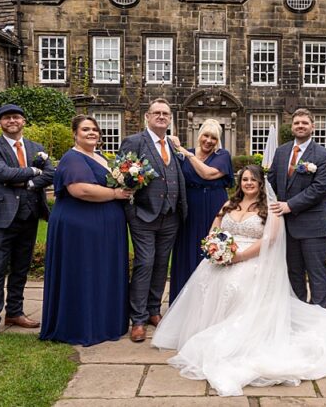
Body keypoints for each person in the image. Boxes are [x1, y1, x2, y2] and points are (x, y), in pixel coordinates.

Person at [153, 165, 326, 397]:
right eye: (245, 179)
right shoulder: (228, 205)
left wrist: (240, 256)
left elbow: (269, 239)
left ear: (261, 184)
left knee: (235, 283)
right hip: (223, 257)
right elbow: (214, 229)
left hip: (252, 258)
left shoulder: (270, 209)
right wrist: (215, 248)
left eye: (253, 179)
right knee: (207, 281)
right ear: (240, 183)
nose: (249, 183)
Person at [39, 115, 132, 345]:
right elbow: (81, 190)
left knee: (100, 272)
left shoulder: (99, 157)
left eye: (95, 130)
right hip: (80, 228)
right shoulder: (73, 158)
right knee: (84, 272)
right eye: (86, 129)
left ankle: (104, 321)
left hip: (102, 228)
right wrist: (115, 194)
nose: (92, 133)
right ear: (75, 133)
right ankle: (82, 325)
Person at [0, 103, 55, 342]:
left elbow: (51, 173)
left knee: (21, 267)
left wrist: (30, 182)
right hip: (2, 217)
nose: (12, 121)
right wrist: (34, 171)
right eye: (7, 118)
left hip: (29, 215)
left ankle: (15, 312)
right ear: (0, 123)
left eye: (17, 117)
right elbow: (3, 174)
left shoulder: (36, 147)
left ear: (23, 122)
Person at [119, 98, 188, 342]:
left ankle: (153, 310)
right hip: (143, 215)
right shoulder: (135, 141)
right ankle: (137, 319)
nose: (161, 117)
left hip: (171, 216)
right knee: (145, 263)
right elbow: (122, 176)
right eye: (156, 113)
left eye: (165, 114)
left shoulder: (173, 144)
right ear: (147, 117)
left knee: (161, 264)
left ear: (170, 119)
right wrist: (131, 213)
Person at [266, 108, 326, 308]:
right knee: (294, 272)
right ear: (292, 126)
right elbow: (271, 183)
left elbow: (319, 189)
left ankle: (319, 316)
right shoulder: (281, 152)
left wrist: (289, 205)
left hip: (314, 226)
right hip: (286, 227)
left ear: (313, 126)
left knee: (316, 273)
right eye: (297, 123)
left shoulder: (323, 155)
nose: (300, 126)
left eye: (305, 123)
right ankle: (298, 312)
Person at [167, 118, 234, 301]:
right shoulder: (183, 154)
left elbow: (208, 173)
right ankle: (184, 299)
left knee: (214, 247)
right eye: (206, 135)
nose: (208, 141)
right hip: (190, 207)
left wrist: (187, 155)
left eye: (213, 137)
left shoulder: (222, 155)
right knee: (187, 247)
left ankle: (211, 300)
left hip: (214, 205)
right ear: (199, 135)